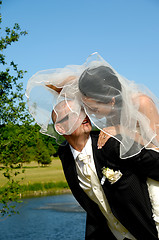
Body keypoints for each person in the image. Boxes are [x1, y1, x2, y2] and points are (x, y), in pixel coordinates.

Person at [51, 99, 159, 240]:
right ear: (61, 129)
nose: (83, 116)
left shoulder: (112, 143)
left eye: (82, 111)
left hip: (147, 230)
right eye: (74, 114)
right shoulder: (65, 154)